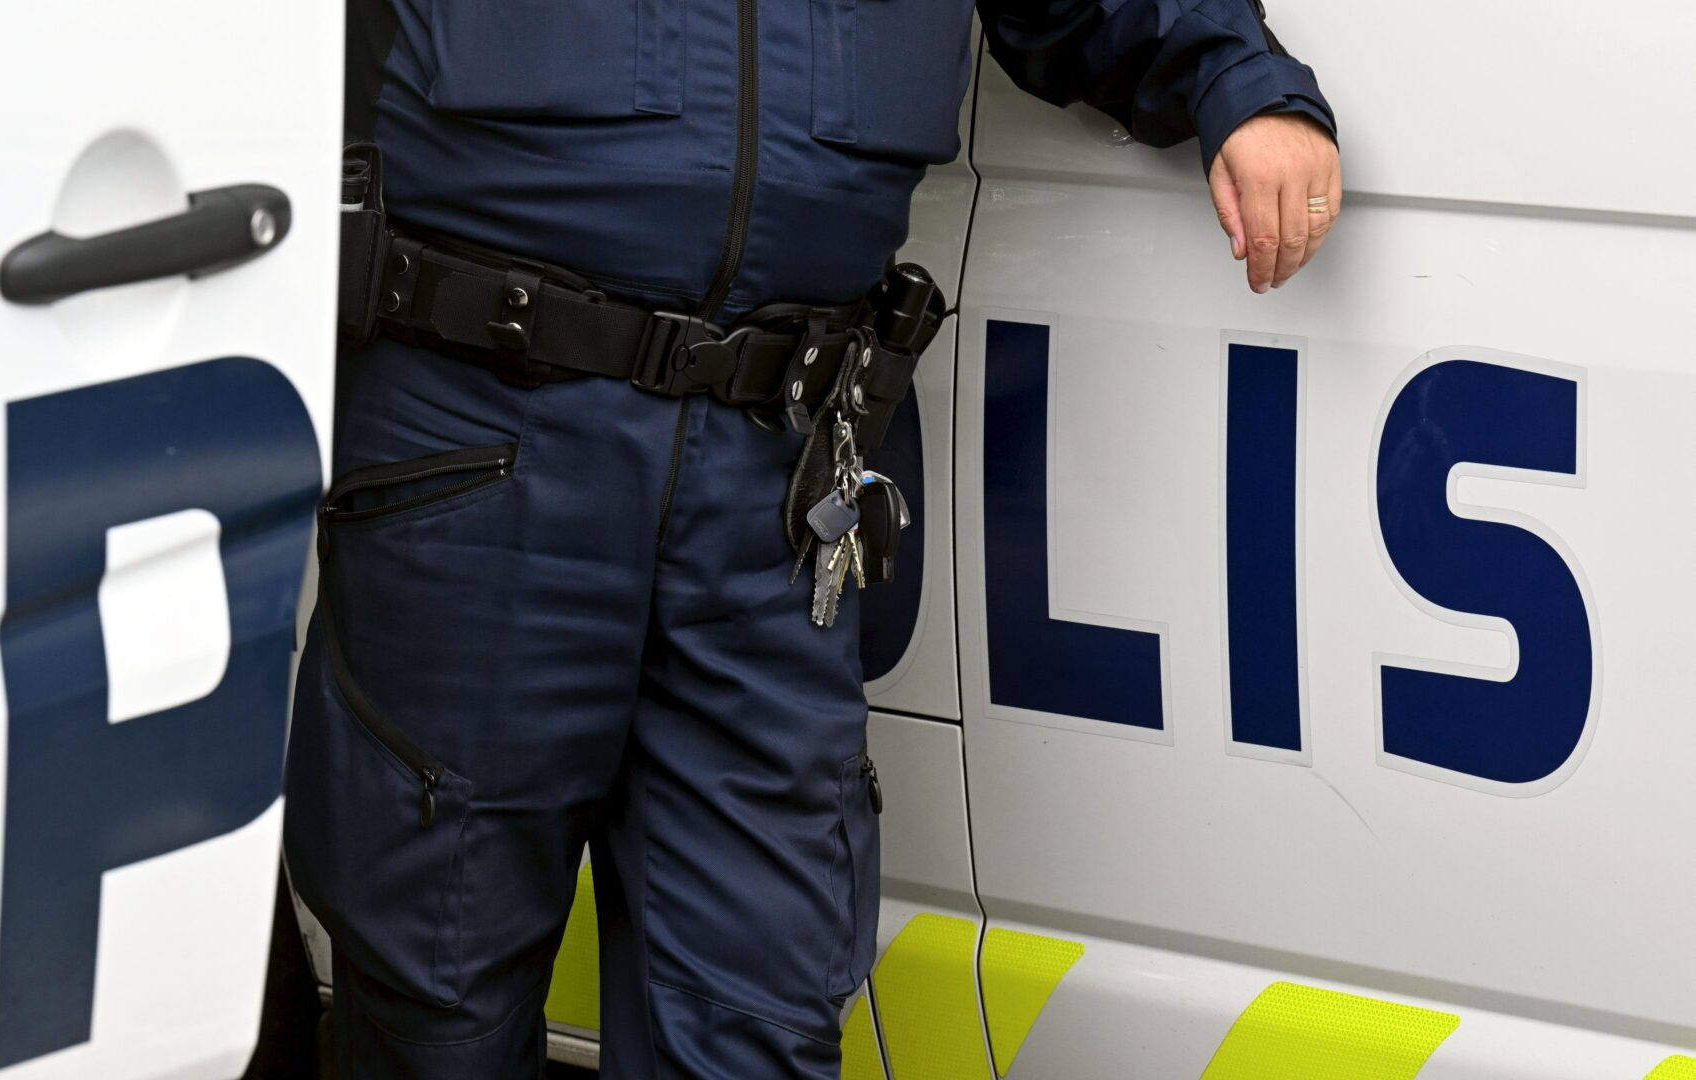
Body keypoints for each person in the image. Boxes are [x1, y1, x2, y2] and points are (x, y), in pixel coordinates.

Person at [284, 2, 1340, 1077]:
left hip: (770, 477)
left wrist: (1239, 79)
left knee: (756, 1014)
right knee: (435, 1008)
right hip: (479, 438)